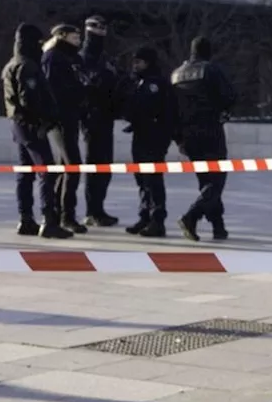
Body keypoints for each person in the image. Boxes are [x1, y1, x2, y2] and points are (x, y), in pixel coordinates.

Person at [3, 23, 71, 239]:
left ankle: (26, 219)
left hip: (19, 124)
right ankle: (48, 220)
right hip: (32, 125)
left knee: (26, 172)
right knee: (47, 171)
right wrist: (46, 119)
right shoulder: (28, 66)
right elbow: (29, 99)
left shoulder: (11, 65)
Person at [171, 36, 237, 242]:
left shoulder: (176, 74)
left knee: (206, 181)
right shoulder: (211, 69)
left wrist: (178, 138)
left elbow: (171, 109)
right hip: (210, 130)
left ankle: (219, 227)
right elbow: (230, 96)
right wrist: (223, 111)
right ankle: (192, 216)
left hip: (188, 136)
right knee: (216, 181)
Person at [123, 46, 176, 237]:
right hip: (140, 135)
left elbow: (161, 112)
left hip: (154, 137)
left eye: (139, 62)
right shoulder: (139, 83)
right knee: (142, 180)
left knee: (153, 180)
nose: (135, 65)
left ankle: (157, 220)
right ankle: (144, 215)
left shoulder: (157, 84)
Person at [42, 23, 87, 233]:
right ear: (61, 36)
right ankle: (66, 215)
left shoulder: (73, 58)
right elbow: (52, 90)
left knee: (66, 167)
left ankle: (62, 212)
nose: (78, 42)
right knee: (72, 165)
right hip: (60, 119)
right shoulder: (53, 57)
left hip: (72, 116)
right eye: (74, 38)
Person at [80, 15, 122, 227]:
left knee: (105, 166)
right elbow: (85, 87)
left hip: (106, 117)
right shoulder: (84, 58)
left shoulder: (104, 59)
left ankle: (98, 208)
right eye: (97, 27)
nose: (102, 30)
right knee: (95, 166)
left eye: (104, 27)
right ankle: (92, 211)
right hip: (92, 117)